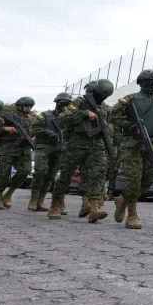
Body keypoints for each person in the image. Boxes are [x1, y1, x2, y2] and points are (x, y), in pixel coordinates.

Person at [109, 69, 153, 229]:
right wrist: (129, 125)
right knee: (134, 178)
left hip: (152, 144)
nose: (152, 84)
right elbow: (113, 116)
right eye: (149, 81)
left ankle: (123, 199)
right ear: (141, 83)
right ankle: (132, 215)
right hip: (132, 144)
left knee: (148, 179)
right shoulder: (129, 100)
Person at [48, 80, 115, 223]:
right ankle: (55, 204)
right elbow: (63, 120)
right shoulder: (79, 102)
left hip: (96, 145)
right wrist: (84, 113)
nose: (102, 98)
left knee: (98, 174)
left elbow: (111, 128)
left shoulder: (106, 108)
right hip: (75, 144)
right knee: (65, 175)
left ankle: (94, 209)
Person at [29, 93, 72, 212]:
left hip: (59, 149)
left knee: (51, 175)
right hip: (44, 146)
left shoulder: (70, 117)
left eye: (67, 102)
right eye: (61, 101)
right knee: (40, 171)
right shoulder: (45, 115)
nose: (64, 104)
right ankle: (33, 199)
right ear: (56, 102)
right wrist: (48, 133)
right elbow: (35, 128)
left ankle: (40, 201)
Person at [0, 96, 36, 210]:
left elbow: (36, 131)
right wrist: (6, 129)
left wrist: (34, 137)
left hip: (24, 149)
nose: (28, 108)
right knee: (4, 173)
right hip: (8, 148)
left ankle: (8, 194)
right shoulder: (8, 117)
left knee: (25, 170)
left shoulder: (32, 120)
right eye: (26, 106)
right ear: (19, 106)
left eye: (30, 106)